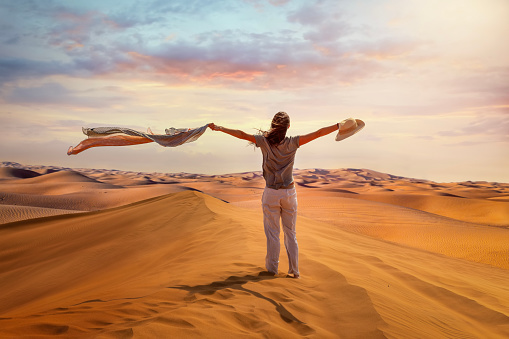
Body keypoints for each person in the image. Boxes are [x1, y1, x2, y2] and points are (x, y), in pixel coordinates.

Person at [209, 112, 344, 279]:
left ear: (273, 126)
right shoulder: (294, 142)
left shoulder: (263, 141)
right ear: (288, 127)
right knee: (290, 233)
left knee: (272, 233)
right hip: (289, 192)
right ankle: (294, 271)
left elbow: (242, 135)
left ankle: (272, 270)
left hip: (271, 193)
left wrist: (219, 128)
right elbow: (318, 133)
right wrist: (339, 125)